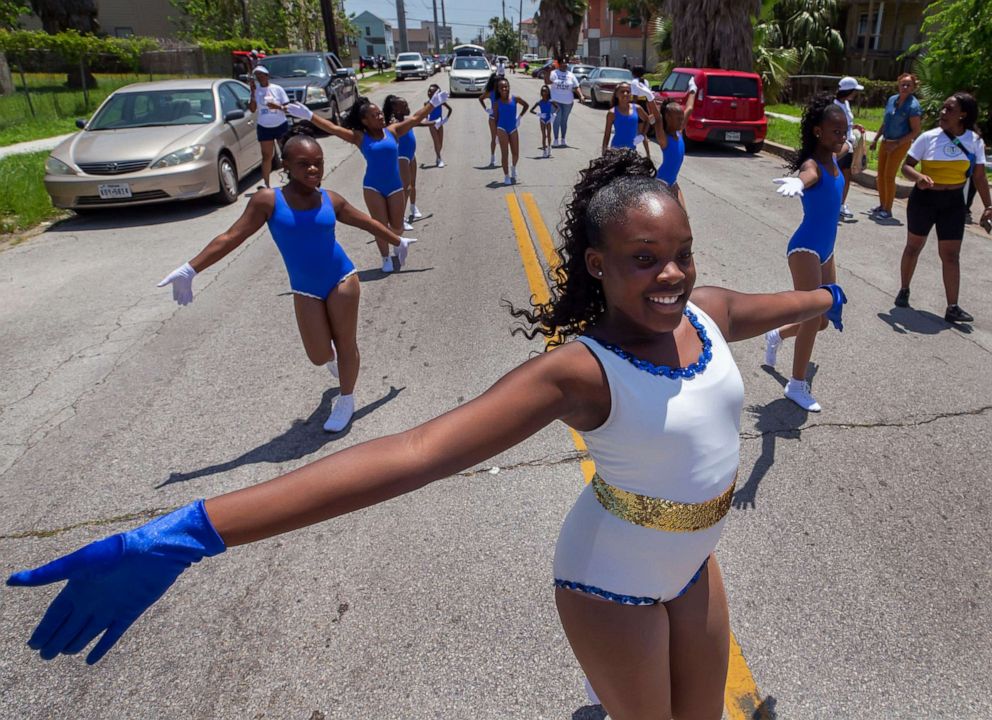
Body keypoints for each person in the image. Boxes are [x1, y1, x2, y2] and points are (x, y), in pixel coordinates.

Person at [8, 151, 845, 720]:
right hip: (611, 582)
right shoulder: (580, 372)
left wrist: (825, 300)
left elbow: (780, 304)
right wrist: (194, 532)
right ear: (597, 264)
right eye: (644, 257)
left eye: (683, 253)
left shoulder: (709, 310)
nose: (672, 274)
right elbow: (413, 455)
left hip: (696, 564)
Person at [155, 132, 414, 432]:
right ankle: (334, 364)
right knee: (318, 355)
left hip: (341, 278)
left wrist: (398, 240)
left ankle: (346, 398)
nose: (313, 169)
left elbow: (366, 221)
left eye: (318, 163)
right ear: (286, 165)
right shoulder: (268, 201)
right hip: (305, 287)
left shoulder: (330, 199)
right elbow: (230, 237)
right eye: (304, 164)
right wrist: (191, 269)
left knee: (346, 342)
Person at [284, 92, 447, 273]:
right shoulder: (360, 138)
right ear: (365, 121)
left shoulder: (393, 131)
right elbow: (332, 128)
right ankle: (385, 258)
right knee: (379, 225)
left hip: (395, 186)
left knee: (397, 226)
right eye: (375, 115)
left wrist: (432, 104)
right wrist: (309, 115)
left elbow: (416, 118)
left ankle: (397, 243)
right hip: (373, 187)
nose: (380, 116)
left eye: (380, 113)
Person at [765, 93, 849, 412]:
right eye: (835, 131)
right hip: (806, 248)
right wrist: (799, 184)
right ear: (818, 131)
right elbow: (808, 175)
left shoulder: (834, 159)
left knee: (824, 318)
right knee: (813, 316)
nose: (841, 137)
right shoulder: (813, 164)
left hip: (827, 250)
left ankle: (777, 335)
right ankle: (796, 384)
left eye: (844, 131)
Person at [895, 92, 992, 324]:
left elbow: (979, 176)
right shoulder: (928, 138)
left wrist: (988, 206)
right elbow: (906, 166)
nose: (943, 112)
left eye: (949, 109)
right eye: (943, 108)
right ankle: (904, 289)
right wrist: (918, 177)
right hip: (925, 200)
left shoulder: (974, 141)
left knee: (951, 255)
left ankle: (952, 306)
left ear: (963, 115)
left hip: (953, 203)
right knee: (913, 247)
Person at [869, 73, 923, 221]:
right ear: (898, 84)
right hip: (886, 141)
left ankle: (888, 209)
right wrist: (875, 139)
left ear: (913, 87)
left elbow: (916, 131)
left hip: (900, 143)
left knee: (889, 175)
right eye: (902, 84)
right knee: (880, 175)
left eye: (908, 85)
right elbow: (886, 122)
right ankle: (882, 205)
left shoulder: (913, 106)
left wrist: (897, 144)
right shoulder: (892, 99)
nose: (905, 87)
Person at [381, 95, 423, 231]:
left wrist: (434, 123)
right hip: (401, 156)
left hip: (411, 155)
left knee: (412, 184)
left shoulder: (404, 120)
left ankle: (412, 206)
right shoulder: (393, 123)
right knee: (405, 187)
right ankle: (400, 219)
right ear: (395, 108)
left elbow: (418, 121)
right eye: (403, 105)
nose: (407, 107)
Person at [248, 66, 290, 189]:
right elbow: (252, 109)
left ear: (267, 75)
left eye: (262, 74)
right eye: (258, 75)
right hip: (264, 126)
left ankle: (291, 179)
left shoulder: (277, 89)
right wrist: (252, 93)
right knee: (266, 155)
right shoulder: (256, 91)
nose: (260, 77)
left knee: (286, 153)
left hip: (280, 124)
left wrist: (276, 106)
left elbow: (287, 107)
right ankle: (266, 184)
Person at [834, 76, 867, 219]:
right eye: (854, 91)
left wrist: (854, 126)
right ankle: (833, 204)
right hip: (839, 145)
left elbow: (846, 122)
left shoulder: (846, 104)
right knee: (836, 175)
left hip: (849, 143)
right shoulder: (834, 106)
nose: (855, 94)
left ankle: (841, 204)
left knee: (846, 176)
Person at [492, 77, 529, 185]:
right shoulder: (497, 103)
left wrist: (519, 117)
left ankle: (513, 167)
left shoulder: (515, 98)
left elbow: (526, 106)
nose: (504, 89)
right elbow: (495, 119)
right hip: (501, 128)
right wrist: (496, 135)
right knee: (505, 154)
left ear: (509, 87)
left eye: (506, 86)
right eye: (502, 87)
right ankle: (506, 175)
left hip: (513, 128)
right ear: (498, 89)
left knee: (516, 153)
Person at [652, 98, 688, 209]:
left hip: (673, 181)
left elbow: (690, 108)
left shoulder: (679, 133)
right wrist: (649, 98)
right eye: (678, 118)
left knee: (683, 214)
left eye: (682, 117)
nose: (682, 120)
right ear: (668, 118)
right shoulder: (664, 139)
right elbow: (658, 118)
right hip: (661, 183)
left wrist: (692, 90)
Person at [544, 58, 584, 147]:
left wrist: (581, 96)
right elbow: (547, 82)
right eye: (562, 63)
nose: (564, 65)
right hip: (556, 101)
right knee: (557, 119)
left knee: (564, 120)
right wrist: (547, 72)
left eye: (566, 63)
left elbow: (576, 86)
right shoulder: (554, 73)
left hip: (568, 102)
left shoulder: (571, 75)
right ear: (559, 64)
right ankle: (555, 139)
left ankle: (563, 139)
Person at [601, 82, 648, 155]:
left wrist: (642, 135)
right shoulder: (612, 113)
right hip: (616, 151)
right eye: (622, 91)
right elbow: (607, 135)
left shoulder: (637, 108)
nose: (625, 94)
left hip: (631, 151)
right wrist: (604, 152)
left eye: (628, 92)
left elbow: (647, 120)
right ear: (616, 94)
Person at [630, 65, 655, 160]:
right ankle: (648, 154)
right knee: (643, 133)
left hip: (637, 106)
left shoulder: (634, 82)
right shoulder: (646, 82)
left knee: (633, 131)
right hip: (644, 105)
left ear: (633, 73)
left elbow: (635, 97)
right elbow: (647, 97)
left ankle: (631, 151)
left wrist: (632, 109)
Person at [426, 83, 453, 168]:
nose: (429, 93)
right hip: (431, 124)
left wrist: (445, 119)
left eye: (431, 91)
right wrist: (427, 120)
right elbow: (425, 115)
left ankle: (437, 156)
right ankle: (440, 158)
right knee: (436, 141)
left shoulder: (440, 102)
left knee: (440, 143)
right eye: (429, 91)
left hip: (440, 123)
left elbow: (450, 109)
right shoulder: (426, 103)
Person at [529, 84, 559, 158]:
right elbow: (531, 110)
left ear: (548, 92)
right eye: (542, 91)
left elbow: (558, 108)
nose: (544, 92)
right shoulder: (539, 102)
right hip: (542, 119)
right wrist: (538, 114)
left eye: (545, 91)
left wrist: (554, 114)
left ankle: (549, 150)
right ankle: (544, 151)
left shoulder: (551, 101)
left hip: (549, 119)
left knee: (549, 135)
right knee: (544, 135)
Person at [478, 73, 500, 168]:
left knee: (504, 138)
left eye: (498, 82)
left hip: (502, 118)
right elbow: (480, 98)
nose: (497, 84)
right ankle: (492, 157)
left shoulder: (503, 91)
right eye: (495, 82)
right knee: (494, 138)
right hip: (493, 118)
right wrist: (486, 108)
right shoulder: (490, 92)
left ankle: (505, 156)